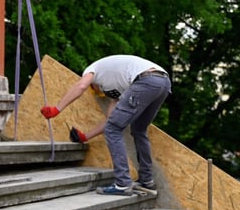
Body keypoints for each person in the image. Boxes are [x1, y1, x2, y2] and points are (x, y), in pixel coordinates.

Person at [40, 54, 171, 196]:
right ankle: (147, 181)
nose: (100, 92)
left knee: (115, 130)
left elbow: (81, 86)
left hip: (146, 80)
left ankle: (122, 184)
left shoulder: (92, 70)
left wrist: (56, 109)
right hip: (163, 82)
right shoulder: (122, 86)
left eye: (98, 90)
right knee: (138, 129)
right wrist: (85, 136)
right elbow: (111, 120)